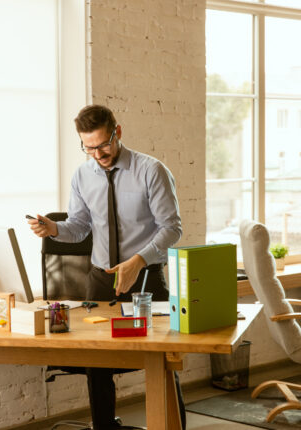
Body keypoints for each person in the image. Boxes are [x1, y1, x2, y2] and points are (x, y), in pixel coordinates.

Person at [28, 104, 185, 430]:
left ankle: (173, 426)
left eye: (103, 144)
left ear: (118, 132)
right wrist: (53, 230)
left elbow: (171, 229)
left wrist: (138, 261)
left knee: (163, 360)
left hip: (145, 281)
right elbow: (80, 227)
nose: (98, 153)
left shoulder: (150, 171)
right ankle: (103, 427)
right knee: (96, 363)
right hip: (100, 281)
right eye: (89, 147)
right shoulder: (83, 176)